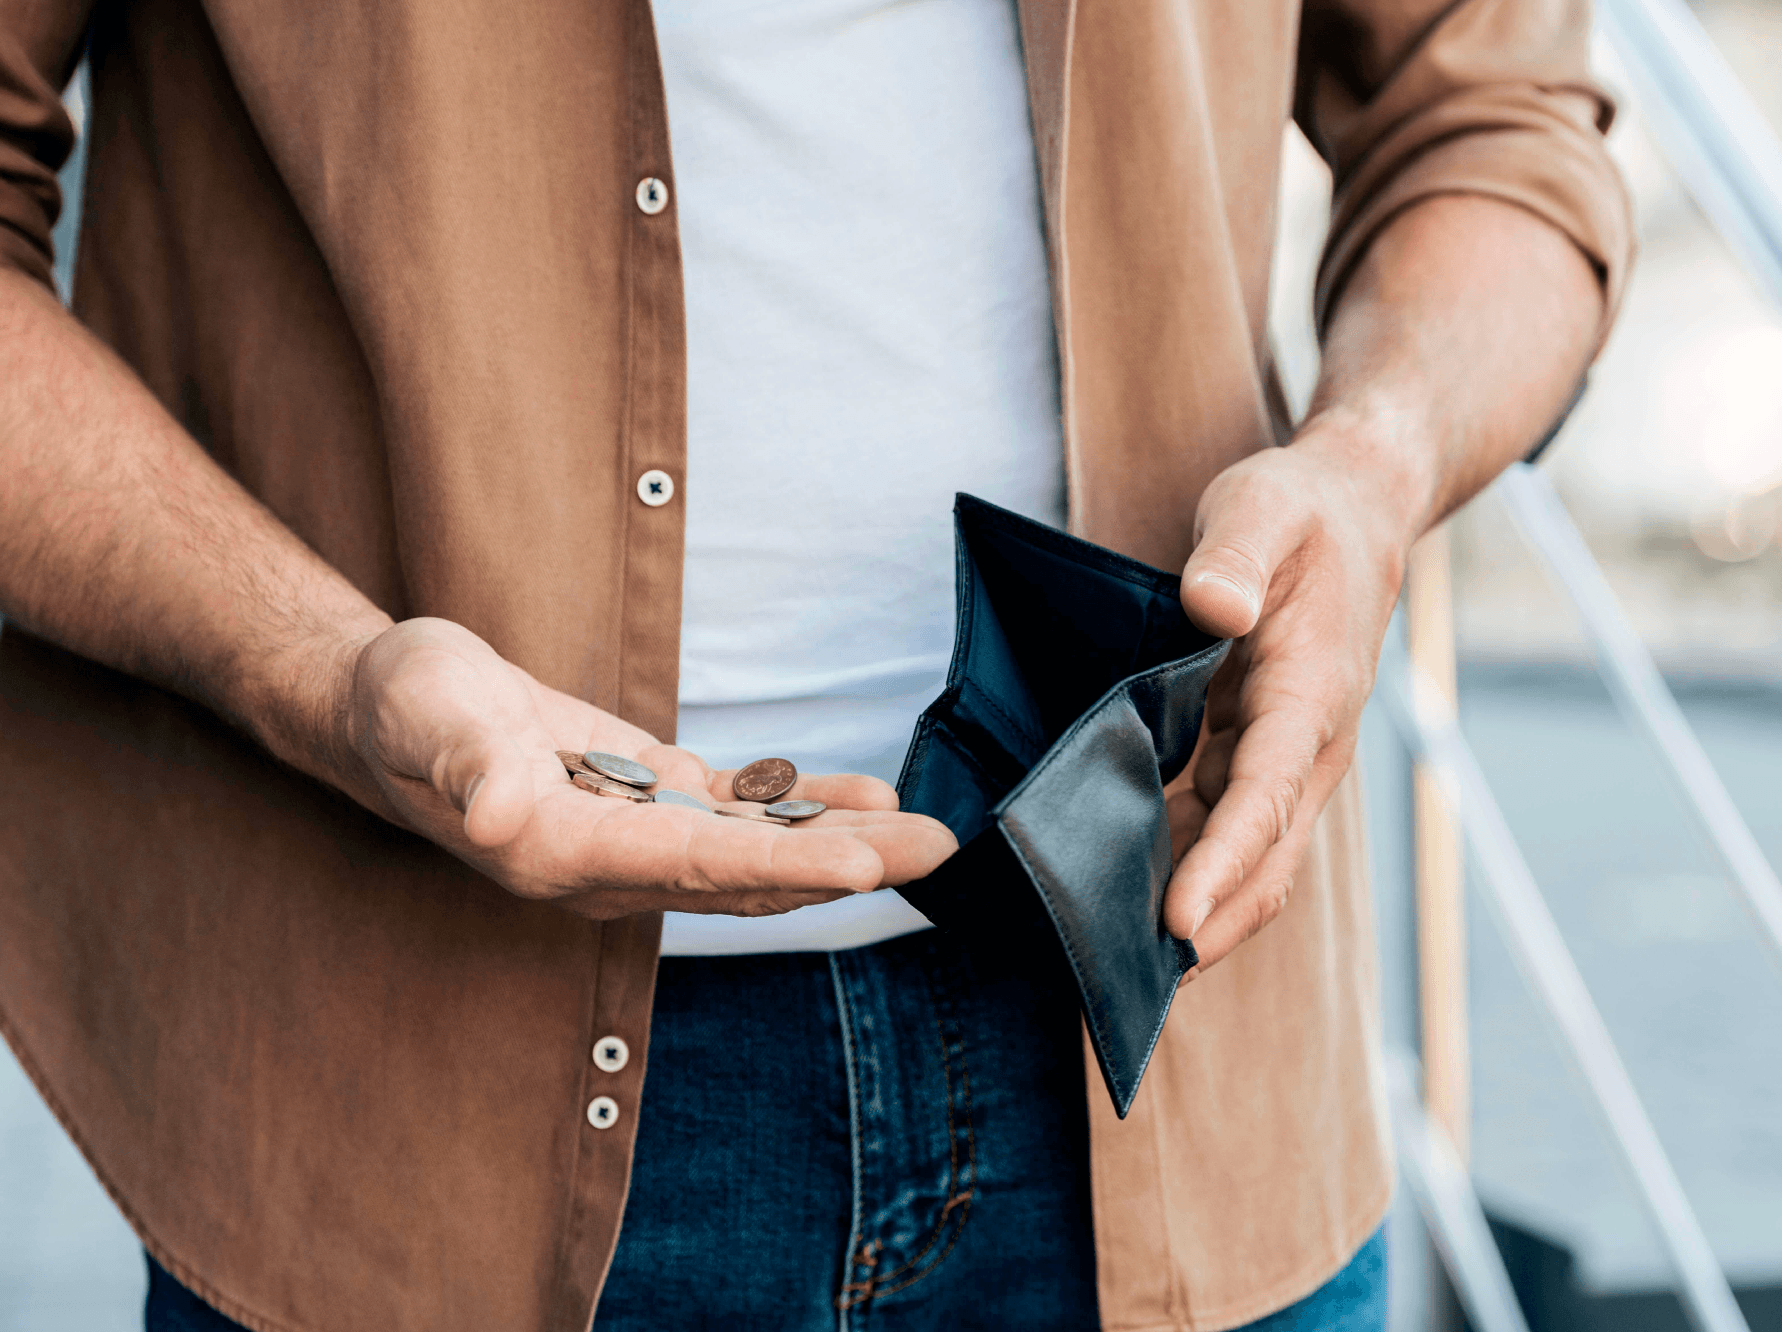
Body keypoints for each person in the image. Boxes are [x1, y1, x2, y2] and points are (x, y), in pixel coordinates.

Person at [0, 0, 1631, 1328]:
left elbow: (1493, 123)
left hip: (1176, 1060)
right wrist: (325, 671)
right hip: (401, 1105)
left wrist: (1373, 464)